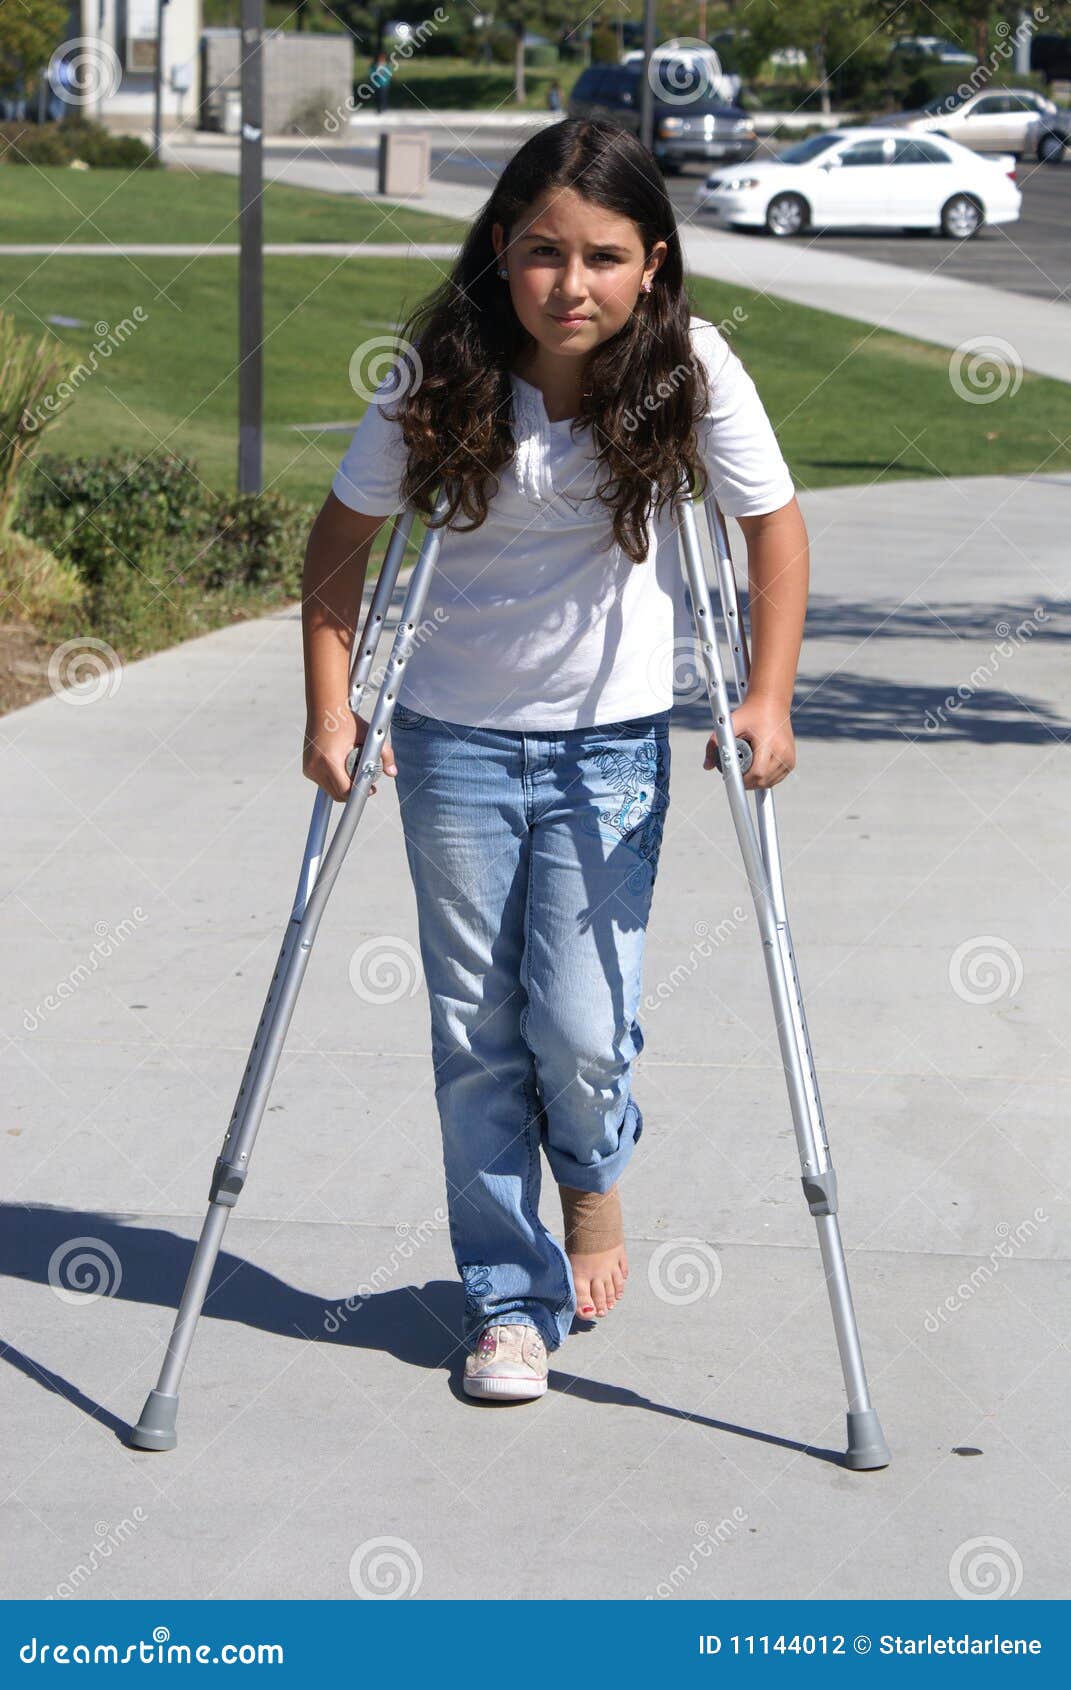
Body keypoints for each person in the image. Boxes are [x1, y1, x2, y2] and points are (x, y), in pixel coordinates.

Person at [301, 116, 808, 1403]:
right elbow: (342, 541)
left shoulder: (691, 366)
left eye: (602, 256)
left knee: (579, 1024)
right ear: (499, 250)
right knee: (477, 1031)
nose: (569, 284)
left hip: (611, 747)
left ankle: (592, 1176)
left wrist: (765, 696)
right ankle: (507, 1305)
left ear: (653, 263)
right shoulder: (441, 372)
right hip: (455, 741)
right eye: (540, 252)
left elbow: (773, 527)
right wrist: (330, 708)